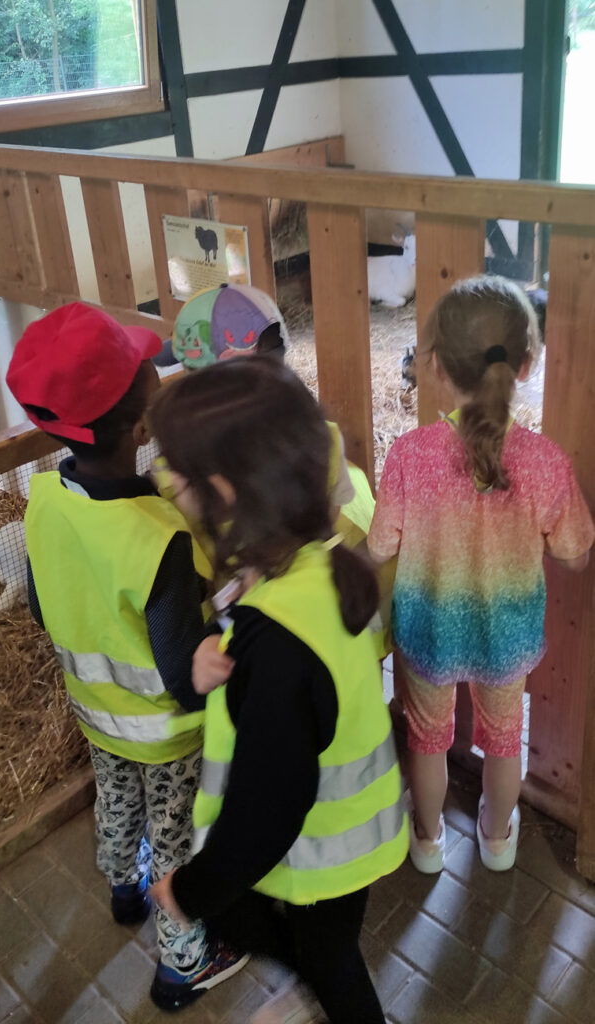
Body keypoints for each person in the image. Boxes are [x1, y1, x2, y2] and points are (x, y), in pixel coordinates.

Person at [149, 358, 408, 1024]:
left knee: (319, 953)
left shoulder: (279, 647)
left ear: (225, 493)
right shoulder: (308, 553)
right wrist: (214, 640)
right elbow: (246, 609)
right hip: (342, 837)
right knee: (326, 948)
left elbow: (265, 814)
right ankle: (316, 988)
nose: (165, 481)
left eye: (175, 471)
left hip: (318, 849)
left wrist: (189, 889)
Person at [6, 303, 247, 1011]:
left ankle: (121, 887)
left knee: (115, 797)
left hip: (95, 713)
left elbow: (44, 604)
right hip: (164, 732)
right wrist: (229, 629)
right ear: (143, 428)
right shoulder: (158, 538)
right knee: (175, 839)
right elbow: (182, 675)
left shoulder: (44, 497)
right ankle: (182, 964)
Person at [368, 276, 594, 874]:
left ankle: (427, 839)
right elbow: (575, 554)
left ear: (436, 366)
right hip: (507, 636)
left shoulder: (409, 455)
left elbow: (380, 542)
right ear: (526, 364)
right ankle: (497, 841)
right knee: (502, 739)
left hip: (427, 632)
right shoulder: (546, 462)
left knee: (427, 737)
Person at [156, 282, 393, 656]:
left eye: (189, 372)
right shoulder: (321, 434)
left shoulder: (188, 470)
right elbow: (328, 519)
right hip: (353, 611)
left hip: (272, 631)